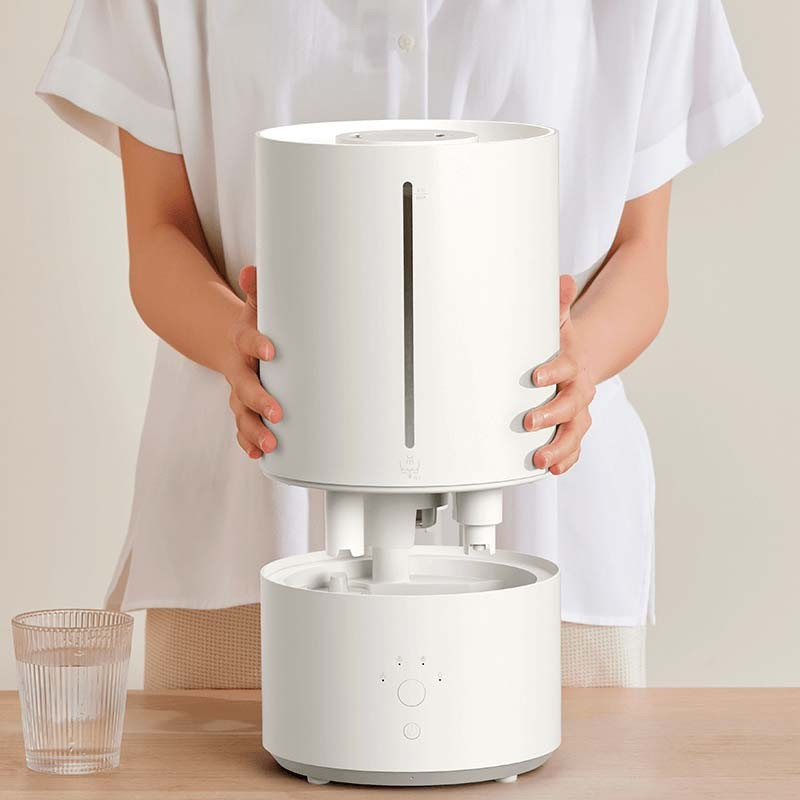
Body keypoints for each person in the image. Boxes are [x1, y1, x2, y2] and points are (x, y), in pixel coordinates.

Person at [38, 1, 761, 690]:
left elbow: (641, 255)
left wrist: (581, 364)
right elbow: (159, 232)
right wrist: (236, 344)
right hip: (245, 530)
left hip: (546, 527)